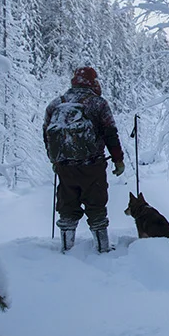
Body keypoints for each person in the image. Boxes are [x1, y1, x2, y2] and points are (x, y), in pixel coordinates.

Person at [43, 66, 126, 253]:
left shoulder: (56, 104)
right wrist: (118, 160)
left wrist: (55, 160)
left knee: (67, 206)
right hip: (92, 165)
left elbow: (46, 134)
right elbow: (110, 133)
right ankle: (103, 248)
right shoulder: (98, 104)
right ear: (93, 82)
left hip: (65, 167)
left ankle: (66, 247)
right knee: (96, 205)